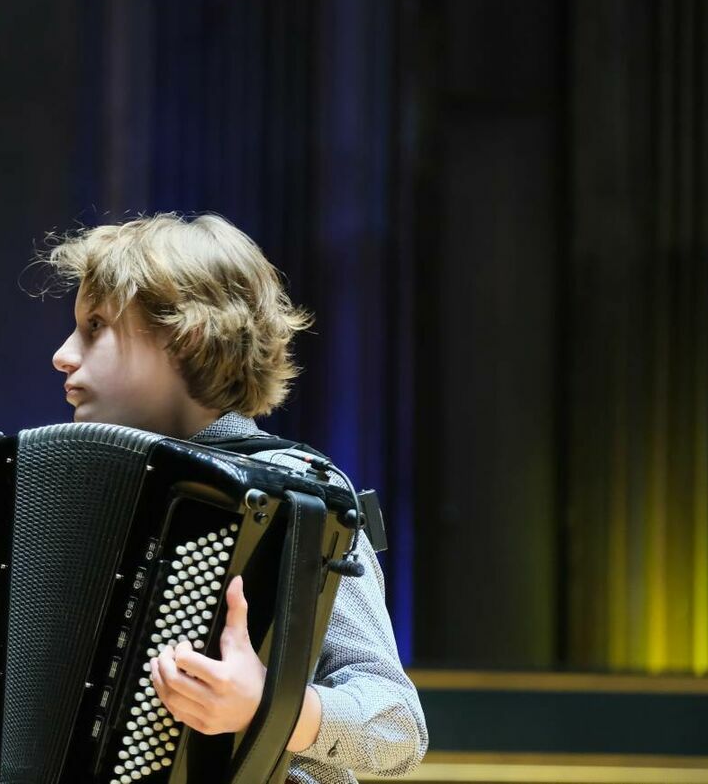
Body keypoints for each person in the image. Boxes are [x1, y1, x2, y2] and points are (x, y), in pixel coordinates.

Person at [43, 212, 427, 783]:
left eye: (95, 326)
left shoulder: (296, 494)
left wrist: (266, 707)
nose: (63, 355)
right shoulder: (88, 492)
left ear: (185, 337)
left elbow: (398, 730)